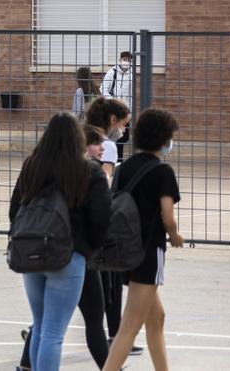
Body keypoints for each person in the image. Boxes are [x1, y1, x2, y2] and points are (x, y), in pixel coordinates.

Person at [10, 113, 111, 371]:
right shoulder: (89, 171)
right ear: (78, 139)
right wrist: (88, 249)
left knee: (41, 326)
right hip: (70, 256)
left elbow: (15, 210)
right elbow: (100, 220)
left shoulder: (32, 166)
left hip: (32, 251)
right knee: (54, 333)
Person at [102, 108, 183, 371]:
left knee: (156, 317)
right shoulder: (163, 172)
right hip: (149, 252)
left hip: (127, 251)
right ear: (163, 139)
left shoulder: (126, 168)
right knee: (130, 325)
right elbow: (168, 215)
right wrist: (174, 234)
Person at [85, 96, 144, 357]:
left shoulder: (81, 136)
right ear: (112, 120)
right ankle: (116, 337)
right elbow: (105, 181)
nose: (124, 130)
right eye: (123, 124)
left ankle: (35, 331)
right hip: (101, 219)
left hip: (79, 218)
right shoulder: (107, 146)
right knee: (108, 284)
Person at [100, 51, 135, 160]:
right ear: (120, 60)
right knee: (111, 136)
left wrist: (130, 111)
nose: (126, 62)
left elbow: (131, 95)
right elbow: (103, 89)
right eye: (124, 59)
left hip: (124, 111)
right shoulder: (112, 72)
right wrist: (113, 101)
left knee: (122, 138)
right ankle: (109, 159)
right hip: (113, 110)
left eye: (129, 60)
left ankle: (118, 160)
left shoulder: (131, 75)